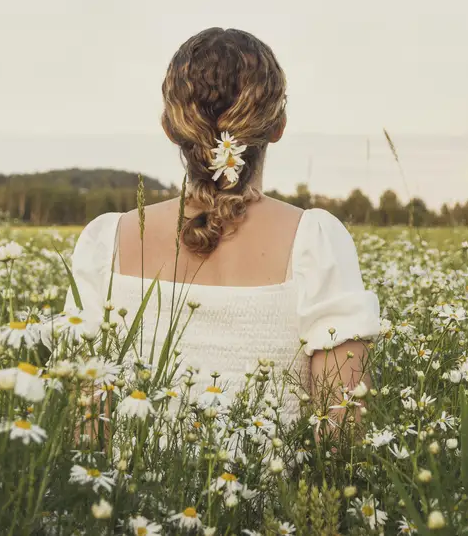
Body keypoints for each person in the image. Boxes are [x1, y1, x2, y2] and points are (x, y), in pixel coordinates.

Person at [64, 27, 381, 421]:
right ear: (278, 126)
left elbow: (86, 427)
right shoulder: (316, 241)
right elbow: (343, 427)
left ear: (169, 127)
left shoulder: (106, 243)